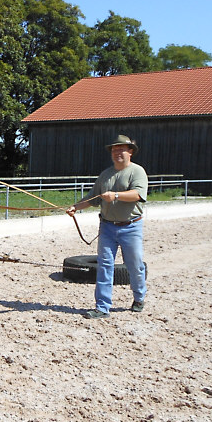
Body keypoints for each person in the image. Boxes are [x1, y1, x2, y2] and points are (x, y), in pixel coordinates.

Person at [66, 135, 148, 319]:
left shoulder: (137, 172)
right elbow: (93, 197)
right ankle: (102, 307)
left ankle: (139, 296)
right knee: (104, 265)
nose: (117, 152)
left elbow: (138, 194)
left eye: (121, 149)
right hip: (107, 227)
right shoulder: (105, 175)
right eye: (114, 149)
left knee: (134, 265)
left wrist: (116, 196)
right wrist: (76, 207)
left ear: (130, 152)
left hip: (131, 227)